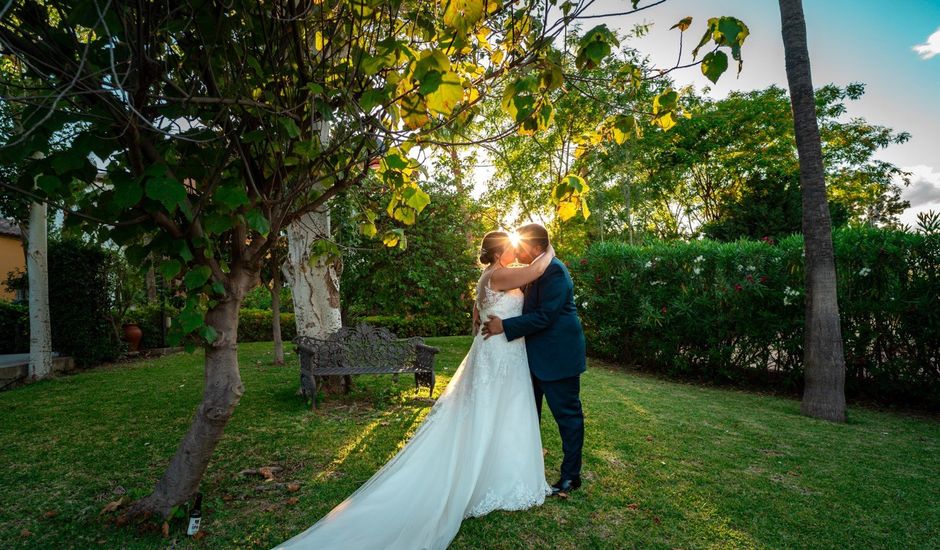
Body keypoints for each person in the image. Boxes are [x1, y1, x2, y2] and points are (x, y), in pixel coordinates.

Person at [275, 231, 555, 550]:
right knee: (497, 411)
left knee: (501, 412)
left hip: (500, 350)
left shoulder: (486, 277)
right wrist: (549, 249)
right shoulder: (501, 274)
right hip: (500, 353)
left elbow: (482, 313)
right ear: (501, 250)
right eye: (511, 245)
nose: (516, 250)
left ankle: (500, 473)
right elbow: (535, 271)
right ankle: (491, 478)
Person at [482, 223, 586, 497]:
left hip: (558, 356)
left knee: (568, 417)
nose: (518, 250)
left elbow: (545, 316)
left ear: (538, 248)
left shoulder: (555, 271)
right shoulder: (531, 270)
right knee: (528, 416)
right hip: (527, 358)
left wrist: (504, 326)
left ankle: (571, 476)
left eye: (523, 245)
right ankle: (523, 469)